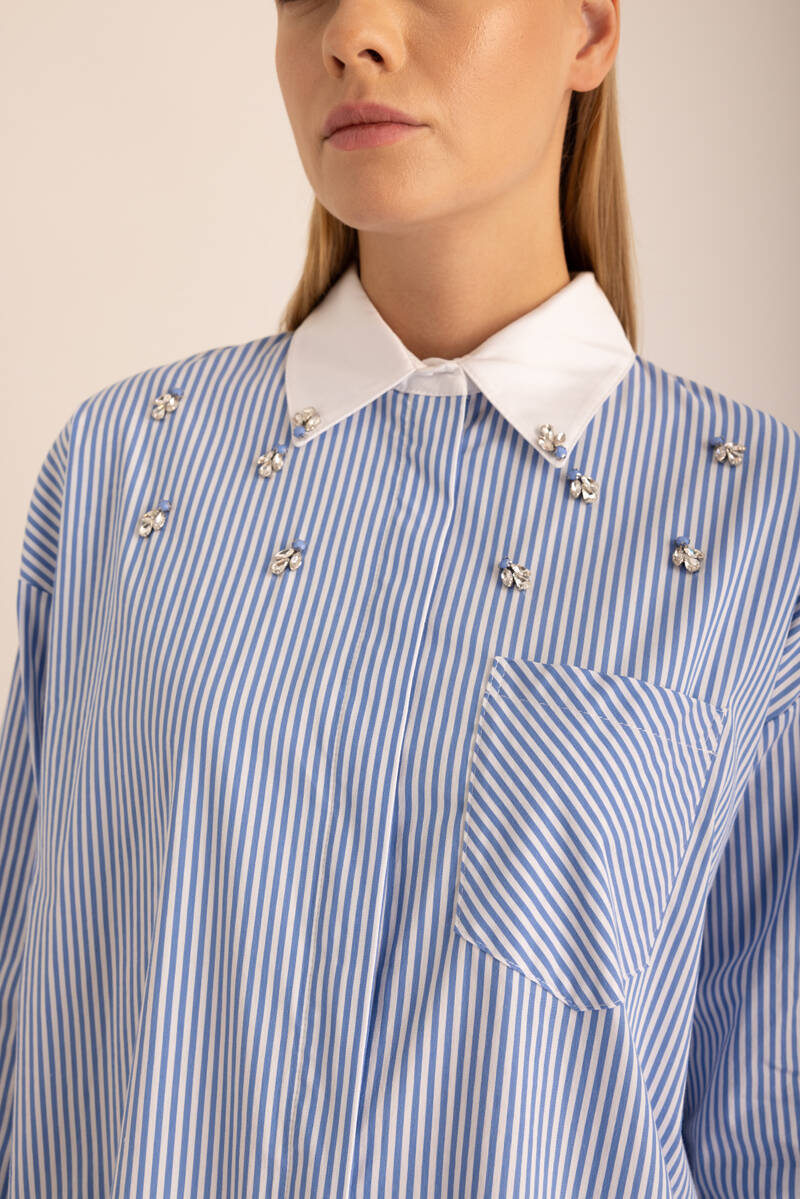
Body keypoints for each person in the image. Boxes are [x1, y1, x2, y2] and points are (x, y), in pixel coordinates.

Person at [1, 0, 798, 1194]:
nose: (353, 31)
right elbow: (27, 1004)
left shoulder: (758, 527)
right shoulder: (127, 468)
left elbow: (765, 1111)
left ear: (589, 30)